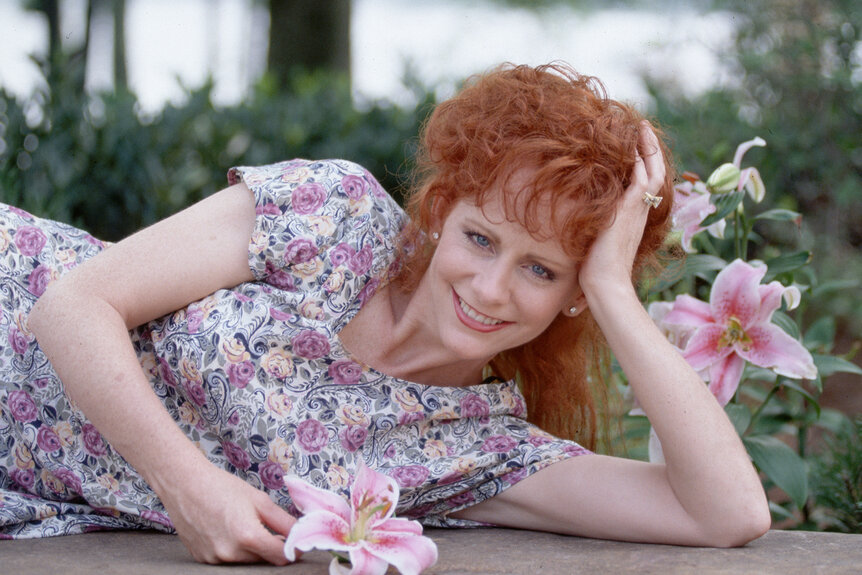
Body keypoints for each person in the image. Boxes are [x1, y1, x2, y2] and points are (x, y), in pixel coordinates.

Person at [0, 63, 770, 564]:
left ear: (572, 290)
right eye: (480, 236)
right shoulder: (332, 216)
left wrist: (611, 289)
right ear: (443, 207)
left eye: (540, 268)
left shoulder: (474, 448)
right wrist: (188, 485)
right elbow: (70, 304)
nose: (492, 287)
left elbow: (726, 512)